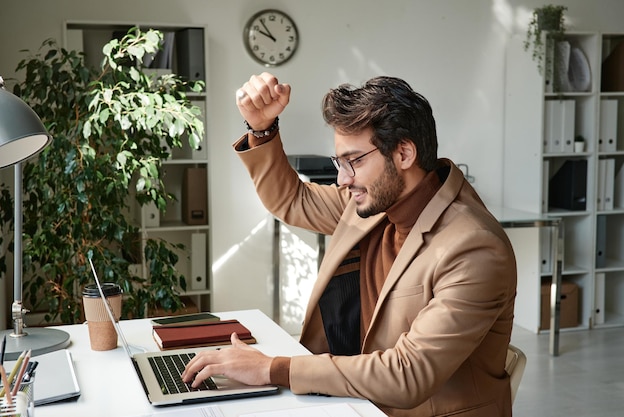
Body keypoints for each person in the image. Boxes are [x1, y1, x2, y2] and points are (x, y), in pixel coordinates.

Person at [182, 72, 517, 417]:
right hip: (357, 402)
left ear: (403, 153)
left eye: (354, 161)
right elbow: (292, 199)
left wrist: (272, 369)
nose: (343, 179)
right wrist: (261, 129)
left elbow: (409, 376)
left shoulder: (474, 248)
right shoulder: (375, 204)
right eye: (339, 163)